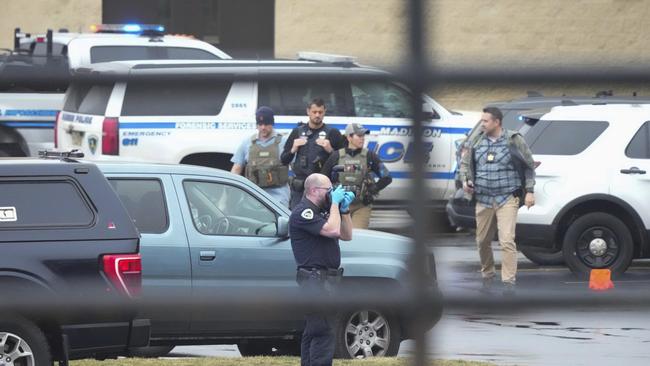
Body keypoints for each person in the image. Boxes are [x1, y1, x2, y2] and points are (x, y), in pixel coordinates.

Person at [459, 106, 536, 295]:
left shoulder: (513, 139)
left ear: (497, 122)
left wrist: (529, 191)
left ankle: (509, 282)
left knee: (507, 240)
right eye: (482, 120)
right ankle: (488, 275)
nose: (482, 124)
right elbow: (465, 165)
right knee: (482, 240)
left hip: (507, 197)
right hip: (483, 198)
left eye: (485, 121)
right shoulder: (476, 141)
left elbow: (529, 165)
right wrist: (465, 181)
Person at [290, 173, 354, 366]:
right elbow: (332, 230)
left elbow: (346, 234)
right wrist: (334, 204)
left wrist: (345, 210)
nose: (332, 193)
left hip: (326, 281)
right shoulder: (304, 212)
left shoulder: (323, 212)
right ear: (314, 190)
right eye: (329, 190)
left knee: (314, 331)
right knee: (324, 333)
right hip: (315, 281)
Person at [321, 123, 392, 229]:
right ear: (349, 137)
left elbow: (387, 177)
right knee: (338, 237)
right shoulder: (336, 156)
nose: (362, 139)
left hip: (361, 206)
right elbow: (323, 178)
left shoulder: (370, 156)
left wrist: (373, 190)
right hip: (339, 205)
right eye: (359, 136)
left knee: (357, 237)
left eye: (363, 136)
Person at [281, 98, 345, 209]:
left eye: (320, 112)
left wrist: (330, 150)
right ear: (308, 112)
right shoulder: (297, 132)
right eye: (314, 112)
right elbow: (283, 159)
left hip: (322, 187)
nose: (317, 115)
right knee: (296, 218)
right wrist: (293, 149)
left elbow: (344, 160)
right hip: (300, 187)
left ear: (324, 112)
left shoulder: (332, 133)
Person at [231, 106, 290, 207]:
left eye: (266, 124)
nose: (263, 127)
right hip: (253, 197)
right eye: (260, 124)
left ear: (272, 123)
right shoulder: (247, 143)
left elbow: (296, 166)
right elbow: (236, 169)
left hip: (278, 197)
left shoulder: (284, 142)